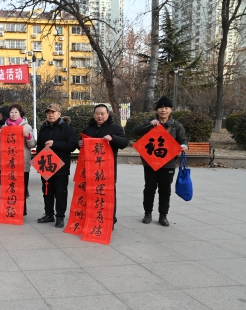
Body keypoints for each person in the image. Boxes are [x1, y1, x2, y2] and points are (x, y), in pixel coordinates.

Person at [133, 96, 188, 227]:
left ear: (171, 110)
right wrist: (148, 125)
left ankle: (163, 216)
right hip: (150, 162)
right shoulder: (150, 122)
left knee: (165, 190)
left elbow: (183, 140)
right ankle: (147, 214)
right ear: (156, 110)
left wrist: (184, 146)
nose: (163, 110)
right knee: (149, 188)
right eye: (161, 108)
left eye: (166, 108)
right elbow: (135, 131)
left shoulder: (176, 126)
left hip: (168, 163)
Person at [78, 104, 129, 228]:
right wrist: (78, 143)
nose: (99, 116)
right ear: (94, 114)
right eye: (97, 113)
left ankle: (110, 219)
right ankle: (92, 217)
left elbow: (124, 143)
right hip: (90, 169)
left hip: (108, 169)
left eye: (102, 114)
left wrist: (113, 138)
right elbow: (82, 146)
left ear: (108, 114)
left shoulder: (115, 129)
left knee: (108, 194)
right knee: (90, 194)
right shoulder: (88, 129)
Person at [36, 104, 77, 228]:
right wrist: (38, 163)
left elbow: (72, 145)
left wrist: (55, 144)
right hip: (46, 166)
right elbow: (39, 147)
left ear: (59, 114)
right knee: (47, 191)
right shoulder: (43, 128)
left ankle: (60, 216)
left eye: (53, 112)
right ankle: (49, 214)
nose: (50, 114)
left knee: (60, 192)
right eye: (48, 112)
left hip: (61, 167)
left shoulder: (67, 129)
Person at [0, 104, 36, 216]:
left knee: (21, 189)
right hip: (8, 164)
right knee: (9, 188)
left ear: (20, 114)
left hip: (21, 164)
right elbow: (2, 145)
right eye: (11, 112)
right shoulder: (4, 128)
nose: (13, 114)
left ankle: (21, 212)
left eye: (16, 112)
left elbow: (32, 144)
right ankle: (9, 209)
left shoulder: (26, 127)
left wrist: (28, 136)